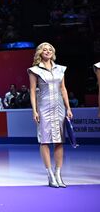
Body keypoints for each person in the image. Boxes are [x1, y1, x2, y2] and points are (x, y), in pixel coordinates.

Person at [28, 42, 73, 188]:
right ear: (40, 52)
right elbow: (33, 91)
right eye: (44, 49)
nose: (47, 51)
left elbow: (63, 89)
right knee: (45, 141)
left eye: (50, 50)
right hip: (44, 108)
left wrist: (68, 108)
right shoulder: (34, 70)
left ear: (52, 52)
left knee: (59, 141)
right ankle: (50, 174)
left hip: (59, 108)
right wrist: (34, 110)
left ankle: (58, 173)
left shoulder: (60, 69)